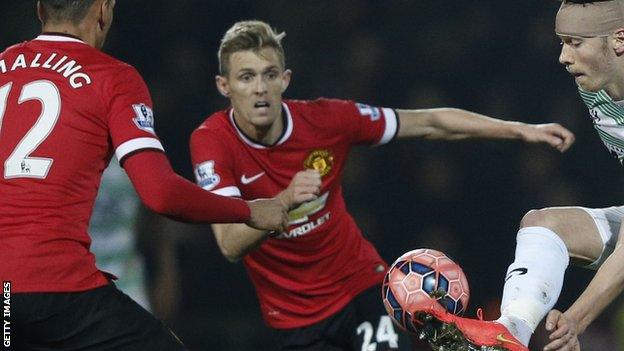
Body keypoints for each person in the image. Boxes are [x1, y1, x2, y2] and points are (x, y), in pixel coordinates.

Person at [189, 20, 575, 351]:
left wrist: (519, 130)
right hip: (292, 318)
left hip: (362, 288)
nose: (260, 88)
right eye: (246, 77)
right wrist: (287, 198)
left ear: (285, 79)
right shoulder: (212, 142)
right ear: (224, 85)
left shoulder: (326, 120)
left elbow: (429, 122)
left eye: (269, 74)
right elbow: (229, 243)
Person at [0, 1, 289, 350]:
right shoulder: (113, 77)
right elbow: (160, 193)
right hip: (61, 291)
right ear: (104, 10)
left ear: (41, 10)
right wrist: (250, 211)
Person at [415, 1, 624, 350]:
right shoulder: (596, 90)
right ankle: (509, 332)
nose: (563, 57)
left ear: (619, 40)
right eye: (561, 42)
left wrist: (577, 318)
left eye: (575, 42)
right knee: (541, 225)